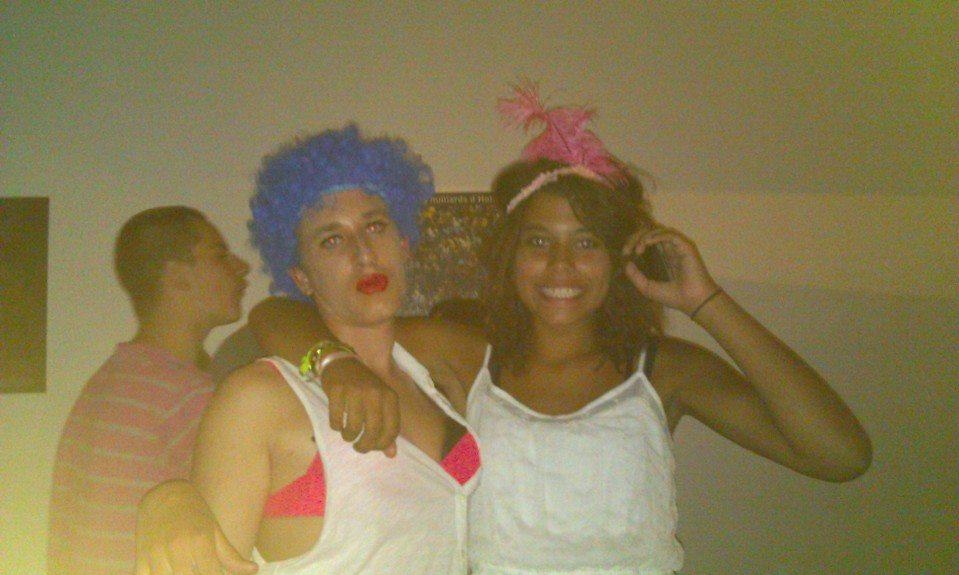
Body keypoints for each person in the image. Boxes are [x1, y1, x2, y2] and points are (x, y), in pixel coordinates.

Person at [137, 87, 871, 574]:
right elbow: (277, 317)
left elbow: (840, 455)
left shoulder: (659, 368)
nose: (562, 266)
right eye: (538, 242)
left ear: (618, 258)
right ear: (509, 257)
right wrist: (330, 365)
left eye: (586, 242)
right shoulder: (465, 356)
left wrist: (705, 299)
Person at [136, 125, 481, 575]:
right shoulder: (258, 399)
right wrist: (166, 500)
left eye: (375, 226)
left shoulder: (430, 378)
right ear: (301, 277)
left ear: (403, 246)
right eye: (331, 240)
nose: (364, 253)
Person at [47, 206, 249, 575]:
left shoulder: (110, 382)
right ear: (177, 276)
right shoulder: (188, 394)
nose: (242, 267)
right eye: (220, 255)